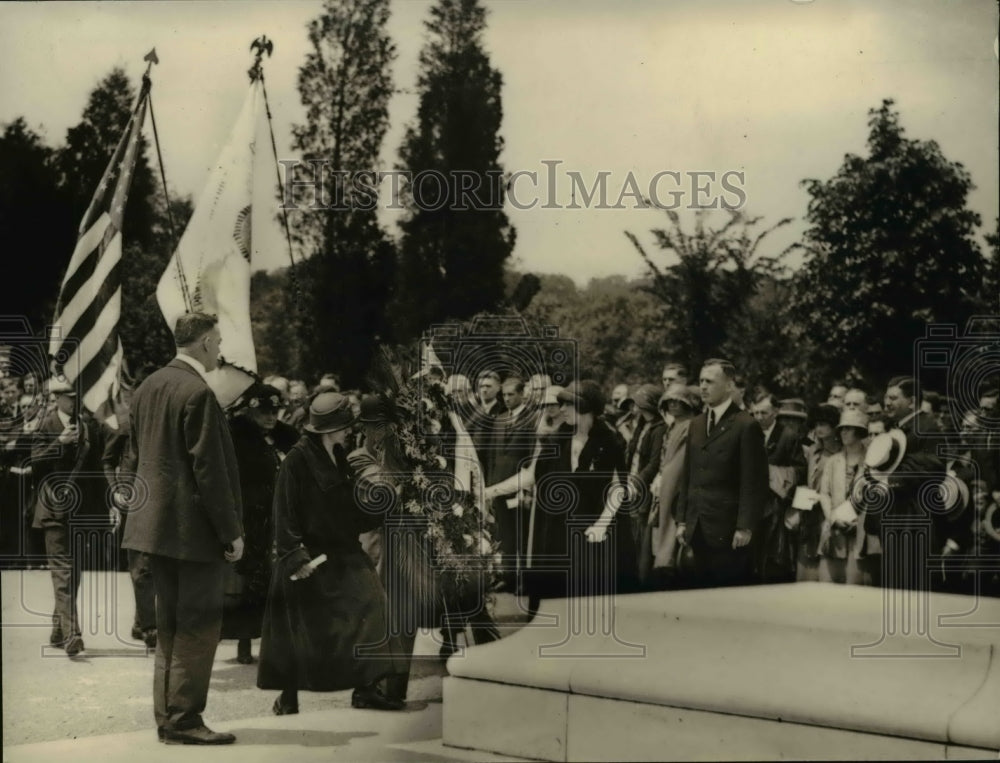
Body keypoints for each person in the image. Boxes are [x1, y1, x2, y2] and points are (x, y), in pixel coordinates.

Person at [122, 312, 245, 745]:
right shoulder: (198, 393)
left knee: (169, 629)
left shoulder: (147, 387)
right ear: (208, 342)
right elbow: (210, 471)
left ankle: (169, 718)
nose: (221, 349)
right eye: (219, 341)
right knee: (196, 627)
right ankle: (185, 720)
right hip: (191, 532)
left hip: (152, 529)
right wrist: (231, 532)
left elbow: (133, 458)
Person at [257, 392, 405, 714]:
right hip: (308, 557)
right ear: (328, 429)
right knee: (301, 630)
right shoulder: (296, 461)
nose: (350, 431)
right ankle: (288, 697)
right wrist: (296, 557)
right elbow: (283, 513)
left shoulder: (338, 455)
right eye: (345, 426)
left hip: (343, 552)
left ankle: (366, 689)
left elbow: (348, 509)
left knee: (372, 603)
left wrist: (382, 505)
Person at [30, 375, 107, 657]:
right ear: (58, 397)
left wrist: (105, 508)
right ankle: (72, 634)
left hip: (80, 512)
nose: (74, 401)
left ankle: (58, 628)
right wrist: (60, 443)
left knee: (73, 576)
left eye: (76, 396)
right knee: (63, 574)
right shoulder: (46, 424)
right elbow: (33, 462)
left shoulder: (86, 426)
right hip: (53, 509)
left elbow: (95, 473)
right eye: (69, 396)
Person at [222, 383, 298, 665]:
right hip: (249, 517)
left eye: (275, 411)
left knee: (275, 579)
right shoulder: (237, 436)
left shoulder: (285, 437)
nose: (271, 417)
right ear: (252, 409)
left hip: (278, 517)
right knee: (246, 579)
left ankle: (273, 641)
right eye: (265, 411)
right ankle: (244, 642)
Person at [675, 359, 767, 589]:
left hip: (728, 530)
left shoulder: (745, 425)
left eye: (710, 381)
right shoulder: (696, 424)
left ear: (728, 386)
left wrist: (745, 526)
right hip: (697, 526)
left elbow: (753, 481)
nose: (703, 387)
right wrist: (682, 519)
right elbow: (688, 474)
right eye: (701, 381)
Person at [102, 376, 157, 647]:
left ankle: (141, 620)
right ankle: (149, 627)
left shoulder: (162, 427)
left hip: (159, 503)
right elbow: (107, 461)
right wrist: (115, 490)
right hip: (132, 503)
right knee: (140, 565)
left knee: (154, 564)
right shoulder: (123, 428)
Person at [648, 384, 698, 588]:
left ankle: (666, 563)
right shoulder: (672, 426)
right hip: (664, 482)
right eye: (670, 401)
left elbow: (680, 461)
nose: (674, 404)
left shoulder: (690, 425)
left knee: (671, 527)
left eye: (679, 400)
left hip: (676, 485)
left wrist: (664, 478)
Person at [816, 409, 869, 584]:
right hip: (833, 530)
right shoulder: (833, 461)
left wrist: (860, 521)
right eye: (842, 428)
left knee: (854, 587)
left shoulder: (871, 461)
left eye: (849, 428)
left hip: (859, 533)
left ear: (860, 431)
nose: (844, 432)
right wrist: (832, 517)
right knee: (826, 586)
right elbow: (824, 493)